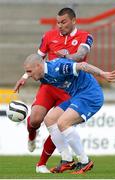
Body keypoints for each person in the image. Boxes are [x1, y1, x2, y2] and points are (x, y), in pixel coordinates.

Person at [14, 7, 93, 173]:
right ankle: (31, 135)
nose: (59, 26)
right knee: (35, 119)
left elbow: (80, 55)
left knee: (56, 124)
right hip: (49, 86)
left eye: (63, 22)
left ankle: (41, 164)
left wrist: (66, 57)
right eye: (57, 22)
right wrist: (24, 76)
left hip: (69, 90)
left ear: (74, 21)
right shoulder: (49, 36)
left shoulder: (85, 37)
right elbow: (37, 58)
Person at [22, 54, 115, 174]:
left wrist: (102, 73)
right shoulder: (42, 75)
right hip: (77, 96)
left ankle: (84, 161)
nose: (28, 75)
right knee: (50, 119)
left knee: (63, 123)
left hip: (90, 95)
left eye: (29, 71)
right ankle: (67, 159)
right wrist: (23, 78)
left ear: (38, 66)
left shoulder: (58, 67)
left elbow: (82, 65)